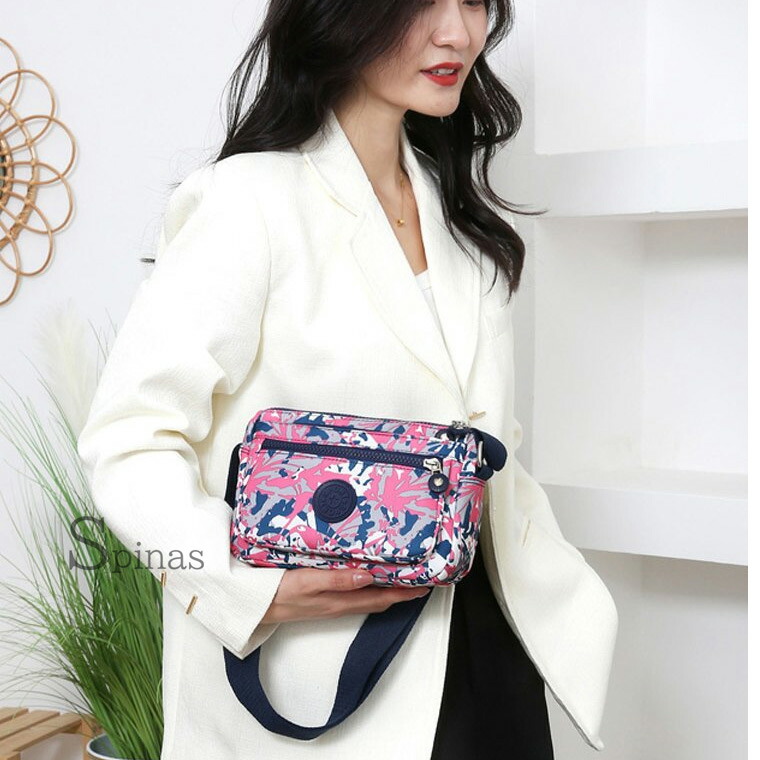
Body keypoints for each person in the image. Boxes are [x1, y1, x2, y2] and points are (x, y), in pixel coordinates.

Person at [77, 1, 618, 758]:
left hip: (486, 650)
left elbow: (486, 436)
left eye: (473, 1)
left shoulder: (463, 221)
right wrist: (241, 584)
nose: (457, 33)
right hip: (321, 675)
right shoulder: (249, 201)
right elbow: (126, 439)